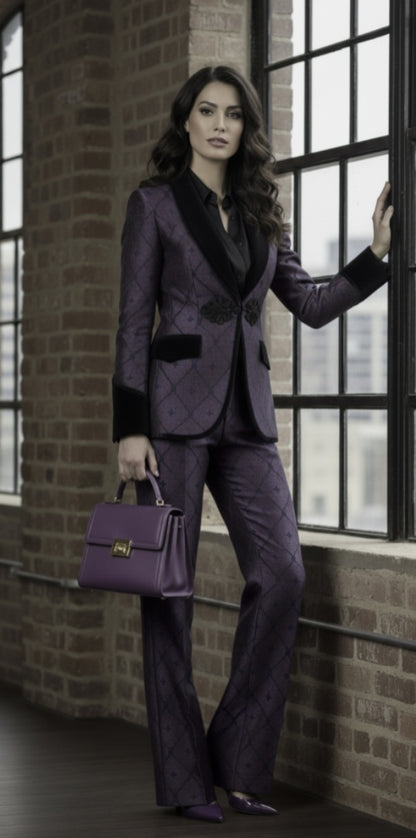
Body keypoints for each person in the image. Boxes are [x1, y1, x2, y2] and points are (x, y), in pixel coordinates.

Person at [112, 65, 393, 823]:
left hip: (247, 421)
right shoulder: (154, 205)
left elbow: (311, 304)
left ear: (246, 129)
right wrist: (130, 427)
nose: (219, 125)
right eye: (206, 111)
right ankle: (184, 782)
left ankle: (238, 764)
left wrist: (376, 254)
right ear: (186, 121)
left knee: (283, 574)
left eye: (233, 115)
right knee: (167, 598)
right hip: (170, 421)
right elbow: (133, 321)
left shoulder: (263, 213)